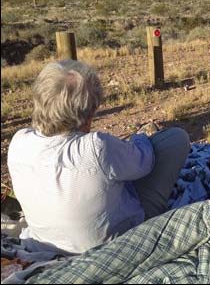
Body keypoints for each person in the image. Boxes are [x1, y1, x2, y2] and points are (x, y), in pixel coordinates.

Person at [7, 59, 190, 255]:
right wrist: (140, 137)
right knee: (175, 139)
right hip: (113, 246)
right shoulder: (96, 147)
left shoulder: (19, 141)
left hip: (42, 244)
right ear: (87, 117)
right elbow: (145, 163)